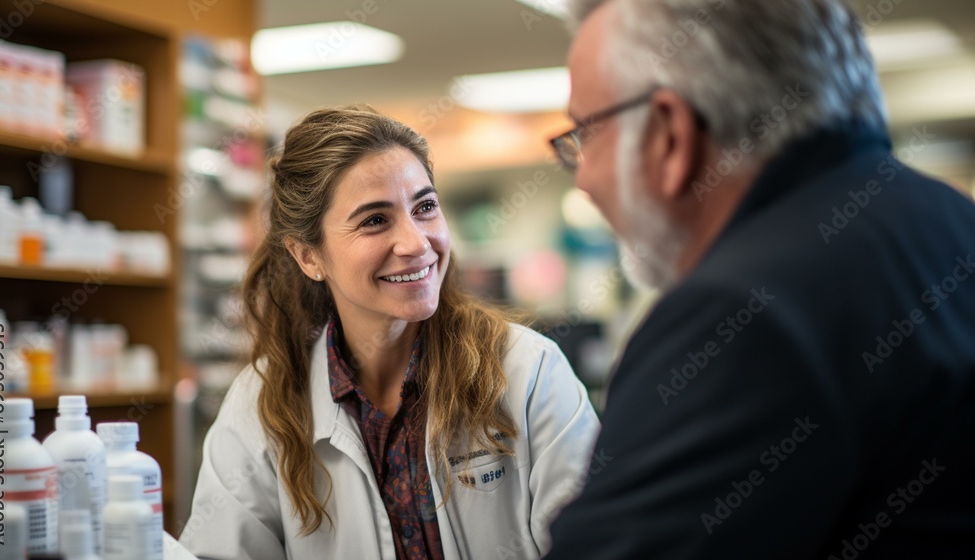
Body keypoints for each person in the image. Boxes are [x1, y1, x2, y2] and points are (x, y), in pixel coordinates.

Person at [543, 0, 975, 558]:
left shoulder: (741, 316)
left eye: (587, 134)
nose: (584, 180)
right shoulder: (947, 222)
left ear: (670, 134)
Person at [179, 106, 600, 560]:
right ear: (308, 256)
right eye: (375, 220)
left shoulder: (527, 372)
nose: (417, 243)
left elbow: (603, 542)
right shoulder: (262, 404)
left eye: (425, 207)